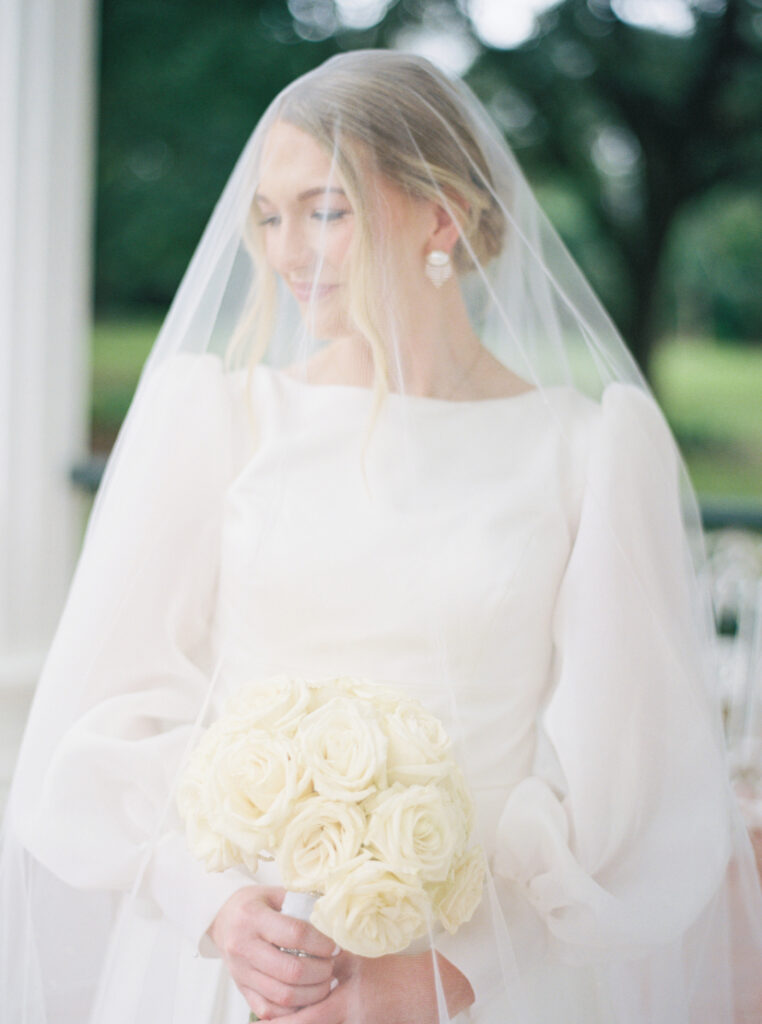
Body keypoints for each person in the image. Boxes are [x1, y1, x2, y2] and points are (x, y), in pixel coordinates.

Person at [1, 49, 761, 1024]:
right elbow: (112, 705)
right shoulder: (221, 419)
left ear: (439, 216)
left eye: (323, 209)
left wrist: (442, 976)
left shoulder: (590, 449)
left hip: (481, 978)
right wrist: (218, 909)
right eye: (269, 217)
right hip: (232, 972)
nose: (283, 250)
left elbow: (631, 786)